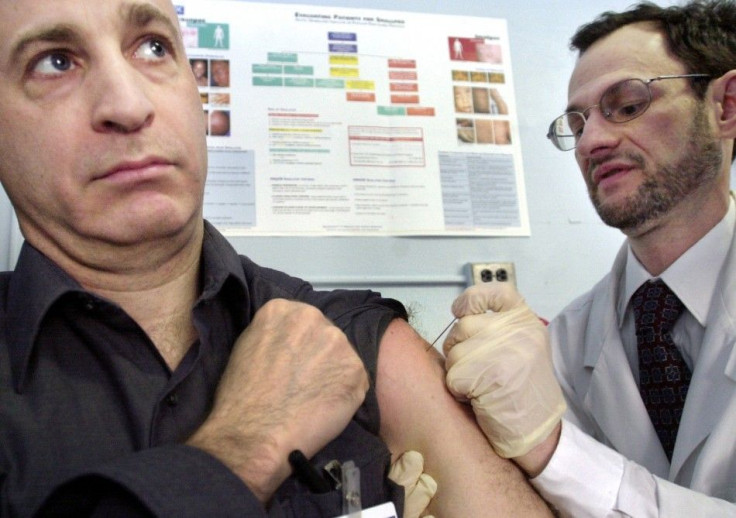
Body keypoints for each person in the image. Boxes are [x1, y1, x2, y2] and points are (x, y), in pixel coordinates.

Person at [0, 1, 553, 517]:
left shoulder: (356, 341)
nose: (128, 104)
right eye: (55, 63)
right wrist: (243, 450)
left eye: (152, 48)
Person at [443, 1, 736, 516]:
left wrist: (553, 452)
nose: (593, 142)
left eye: (626, 105)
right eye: (577, 125)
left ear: (725, 107)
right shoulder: (565, 341)